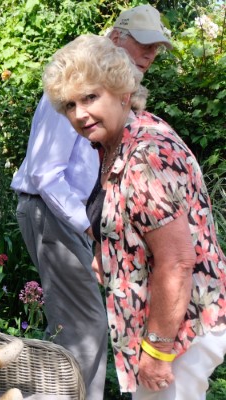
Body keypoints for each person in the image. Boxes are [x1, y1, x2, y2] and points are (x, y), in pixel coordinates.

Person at [43, 33, 226, 399]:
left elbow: (177, 262)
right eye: (69, 105)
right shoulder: (112, 142)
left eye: (90, 97)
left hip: (180, 330)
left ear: (123, 92)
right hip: (160, 323)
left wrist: (158, 352)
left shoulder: (146, 154)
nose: (79, 113)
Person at [9, 5, 172, 399]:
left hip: (62, 212)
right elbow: (46, 173)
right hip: (53, 211)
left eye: (157, 47)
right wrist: (87, 228)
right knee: (85, 327)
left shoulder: (108, 90)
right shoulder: (79, 80)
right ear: (117, 38)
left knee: (72, 324)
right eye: (143, 43)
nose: (150, 54)